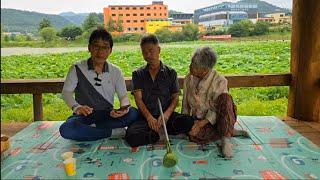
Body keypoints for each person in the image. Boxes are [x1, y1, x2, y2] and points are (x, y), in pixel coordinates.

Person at [59, 28, 138, 141]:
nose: (100, 51)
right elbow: (66, 93)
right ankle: (111, 132)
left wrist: (124, 108)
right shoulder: (77, 68)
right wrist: (77, 107)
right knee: (66, 129)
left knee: (133, 113)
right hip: (84, 115)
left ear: (110, 50)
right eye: (96, 46)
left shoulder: (116, 71)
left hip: (108, 114)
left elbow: (123, 96)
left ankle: (90, 130)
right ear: (89, 48)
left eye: (105, 47)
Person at [125, 34, 194, 147]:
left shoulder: (171, 73)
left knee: (188, 121)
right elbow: (138, 100)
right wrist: (149, 118)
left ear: (159, 49)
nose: (148, 55)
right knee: (131, 136)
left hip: (167, 117)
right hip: (146, 118)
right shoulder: (137, 74)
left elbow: (175, 98)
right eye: (144, 52)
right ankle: (157, 135)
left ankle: (160, 129)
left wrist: (166, 115)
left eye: (151, 50)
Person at [182, 46, 248, 158]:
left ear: (204, 69)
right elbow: (185, 104)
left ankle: (226, 139)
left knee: (225, 98)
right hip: (199, 118)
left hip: (221, 116)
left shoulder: (220, 81)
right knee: (193, 134)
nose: (190, 66)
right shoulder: (189, 79)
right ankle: (228, 130)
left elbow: (217, 109)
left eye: (193, 64)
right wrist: (185, 123)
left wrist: (201, 124)